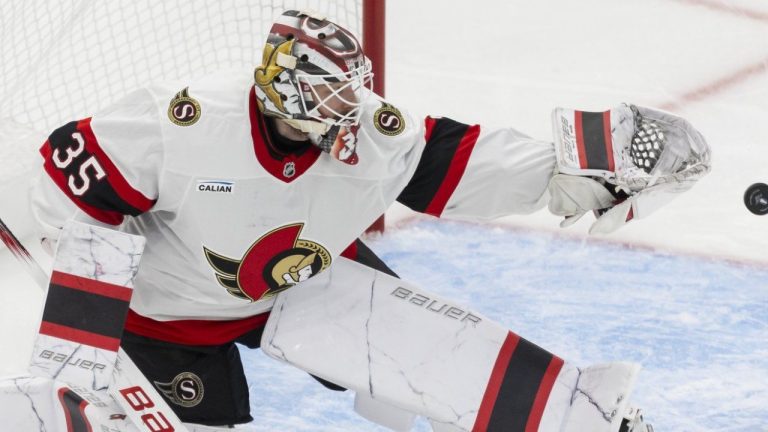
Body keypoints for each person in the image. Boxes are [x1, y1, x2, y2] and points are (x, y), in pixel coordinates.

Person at [29, 9, 709, 431]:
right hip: (158, 319)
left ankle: (589, 419)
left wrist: (571, 172)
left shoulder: (370, 134)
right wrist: (84, 353)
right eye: (326, 95)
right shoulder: (186, 124)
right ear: (279, 86)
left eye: (347, 91)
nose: (344, 109)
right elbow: (67, 194)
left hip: (298, 279)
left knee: (449, 355)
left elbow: (457, 162)